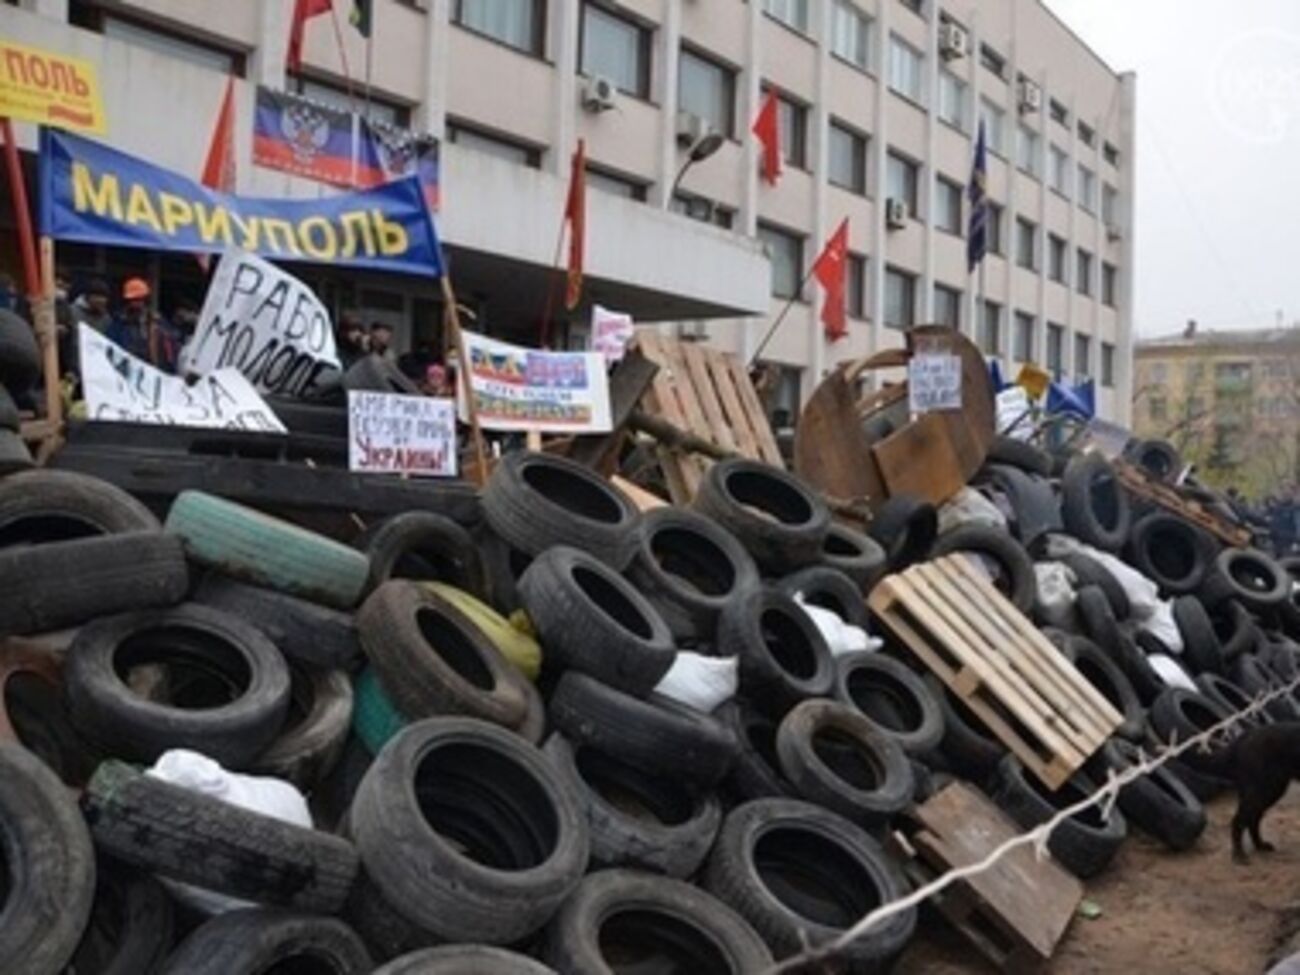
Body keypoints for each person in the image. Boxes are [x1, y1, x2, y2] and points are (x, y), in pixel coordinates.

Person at [106, 278, 180, 373]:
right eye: (133, 300)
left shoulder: (157, 322)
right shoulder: (118, 324)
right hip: (126, 370)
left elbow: (170, 350)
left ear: (145, 300)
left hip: (151, 371)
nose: (136, 303)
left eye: (139, 299)